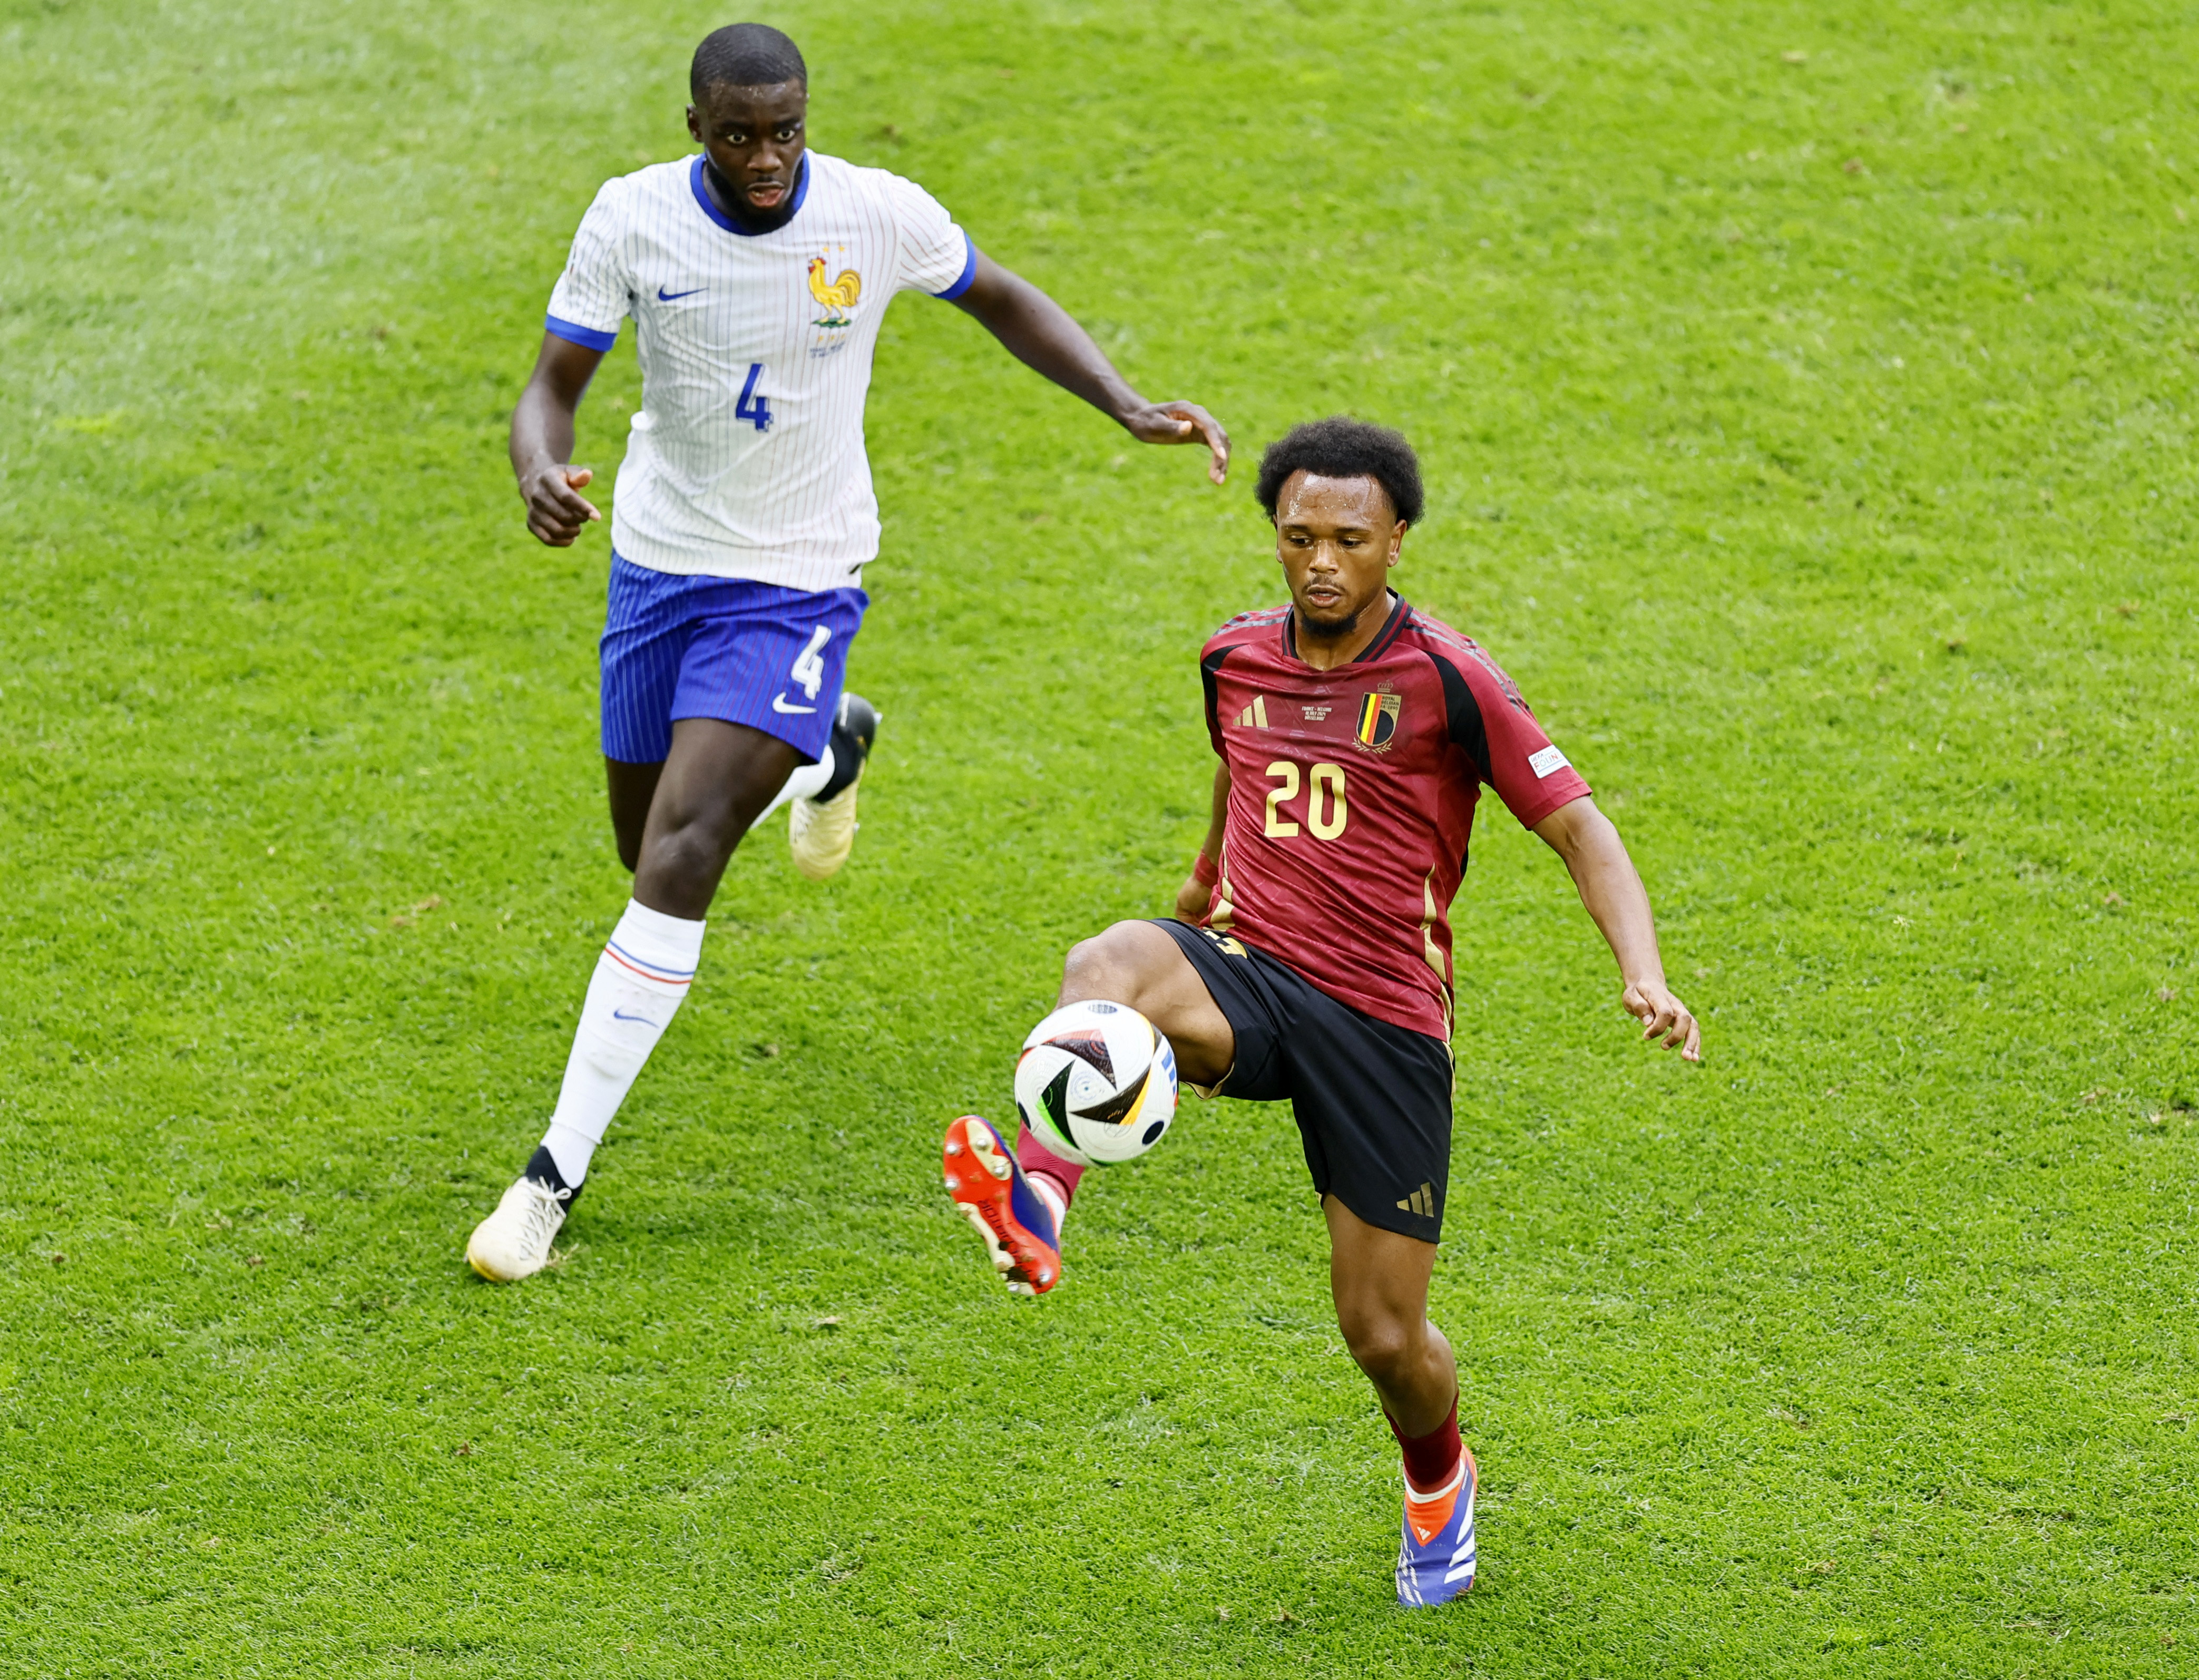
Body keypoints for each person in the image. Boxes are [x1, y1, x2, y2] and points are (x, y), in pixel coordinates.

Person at [467, 23, 1230, 1282]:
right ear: (695, 127)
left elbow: (998, 296)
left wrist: (1125, 402)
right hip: (660, 567)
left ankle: (549, 1179)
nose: (766, 158)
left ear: (806, 119)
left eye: (786, 131)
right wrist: (537, 469)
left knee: (680, 859)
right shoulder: (632, 219)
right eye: (738, 135)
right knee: (643, 840)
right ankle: (825, 754)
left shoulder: (874, 215)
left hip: (801, 576)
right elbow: (551, 382)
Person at [941, 417, 1699, 1607]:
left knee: (1385, 1339)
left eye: (1349, 538)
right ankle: (1037, 1198)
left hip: (1384, 1025)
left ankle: (1438, 1481)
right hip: (1250, 971)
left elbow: (1576, 827)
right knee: (1108, 959)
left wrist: (1641, 969)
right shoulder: (1232, 657)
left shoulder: (1449, 678)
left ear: (1397, 537)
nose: (1321, 563)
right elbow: (1235, 768)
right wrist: (1196, 888)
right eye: (1298, 538)